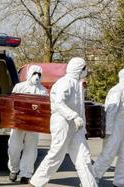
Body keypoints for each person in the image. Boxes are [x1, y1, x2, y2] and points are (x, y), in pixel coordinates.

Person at [29, 57, 97, 187]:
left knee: (84, 157)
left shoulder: (78, 84)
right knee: (56, 155)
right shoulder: (64, 83)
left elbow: (80, 107)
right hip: (62, 122)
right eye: (84, 68)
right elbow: (59, 103)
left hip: (76, 125)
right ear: (78, 69)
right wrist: (73, 116)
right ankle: (36, 183)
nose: (86, 70)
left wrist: (83, 128)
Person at [93, 67, 124, 187]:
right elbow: (110, 111)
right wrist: (107, 131)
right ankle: (90, 180)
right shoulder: (117, 91)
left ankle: (120, 183)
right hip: (114, 130)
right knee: (107, 156)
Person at [8, 65, 48, 184]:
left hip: (33, 124)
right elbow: (12, 103)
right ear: (29, 74)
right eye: (35, 73)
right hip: (19, 123)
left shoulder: (43, 90)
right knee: (13, 148)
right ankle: (14, 169)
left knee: (30, 149)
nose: (37, 77)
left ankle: (26, 174)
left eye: (39, 74)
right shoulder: (20, 87)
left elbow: (45, 107)